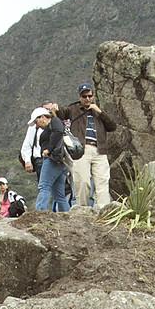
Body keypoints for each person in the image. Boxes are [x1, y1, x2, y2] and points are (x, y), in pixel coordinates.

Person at [59, 83, 116, 213]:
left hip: (100, 150)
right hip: (81, 150)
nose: (87, 99)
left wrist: (99, 112)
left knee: (102, 181)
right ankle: (83, 209)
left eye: (90, 96)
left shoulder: (98, 111)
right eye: (84, 96)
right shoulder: (73, 109)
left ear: (93, 96)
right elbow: (61, 113)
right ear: (80, 97)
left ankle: (103, 210)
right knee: (83, 181)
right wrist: (54, 109)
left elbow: (112, 126)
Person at [31, 108, 72, 212]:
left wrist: (48, 149)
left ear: (43, 117)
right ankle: (66, 215)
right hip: (60, 162)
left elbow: (58, 132)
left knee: (44, 186)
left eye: (37, 121)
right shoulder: (53, 125)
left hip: (52, 160)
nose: (37, 125)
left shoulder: (55, 122)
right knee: (59, 195)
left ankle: (40, 213)